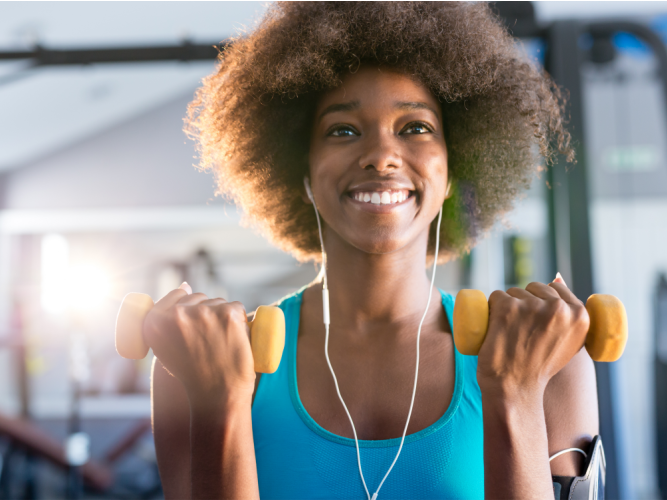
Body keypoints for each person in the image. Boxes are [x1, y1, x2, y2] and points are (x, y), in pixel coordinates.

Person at [148, 3, 599, 499]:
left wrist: (515, 393)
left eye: (415, 128)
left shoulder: (552, 363)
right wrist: (221, 403)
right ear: (301, 174)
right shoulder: (192, 369)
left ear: (452, 168)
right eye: (343, 130)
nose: (382, 155)